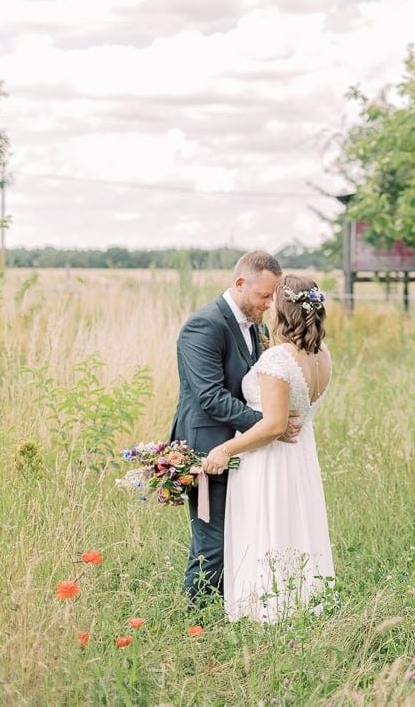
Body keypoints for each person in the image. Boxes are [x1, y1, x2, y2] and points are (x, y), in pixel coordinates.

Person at [201, 273, 335, 623]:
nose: (268, 304)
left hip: (270, 458)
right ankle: (298, 606)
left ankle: (264, 613)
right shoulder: (322, 355)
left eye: (274, 299)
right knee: (293, 526)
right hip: (300, 455)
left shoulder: (278, 359)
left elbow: (274, 425)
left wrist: (225, 449)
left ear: (284, 307)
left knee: (269, 528)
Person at [170, 250, 300, 602]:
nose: (270, 304)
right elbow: (210, 396)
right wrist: (269, 424)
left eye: (273, 296)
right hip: (207, 447)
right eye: (263, 296)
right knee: (212, 545)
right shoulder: (204, 325)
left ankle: (230, 614)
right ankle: (197, 624)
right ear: (240, 284)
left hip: (243, 448)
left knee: (239, 538)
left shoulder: (256, 325)